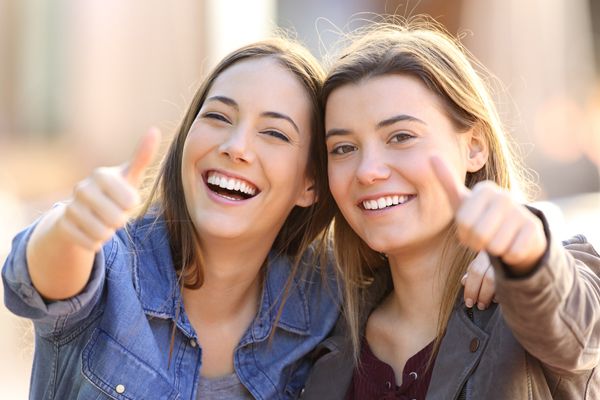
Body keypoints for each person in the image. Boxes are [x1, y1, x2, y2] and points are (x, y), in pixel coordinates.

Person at [2, 38, 342, 400]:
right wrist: (72, 228)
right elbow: (34, 277)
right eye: (218, 116)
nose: (236, 146)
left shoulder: (326, 302)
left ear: (311, 184)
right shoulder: (116, 266)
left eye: (274, 133)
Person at [301, 19, 600, 399]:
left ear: (474, 146)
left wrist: (525, 256)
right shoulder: (324, 329)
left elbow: (577, 328)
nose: (368, 171)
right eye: (343, 147)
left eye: (401, 137)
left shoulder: (545, 284)